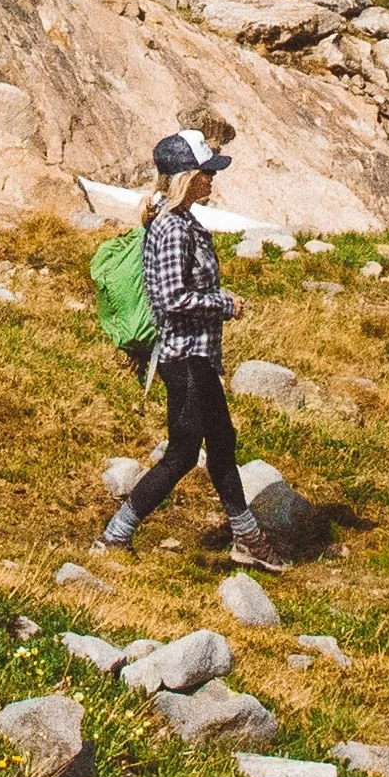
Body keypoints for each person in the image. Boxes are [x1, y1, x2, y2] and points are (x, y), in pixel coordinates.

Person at [99, 130, 274, 563]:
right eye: (206, 173)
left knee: (222, 441)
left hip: (196, 353)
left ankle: (246, 538)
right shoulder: (173, 228)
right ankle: (113, 536)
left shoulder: (184, 222)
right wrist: (224, 303)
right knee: (180, 453)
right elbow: (171, 299)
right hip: (183, 356)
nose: (212, 180)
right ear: (186, 178)